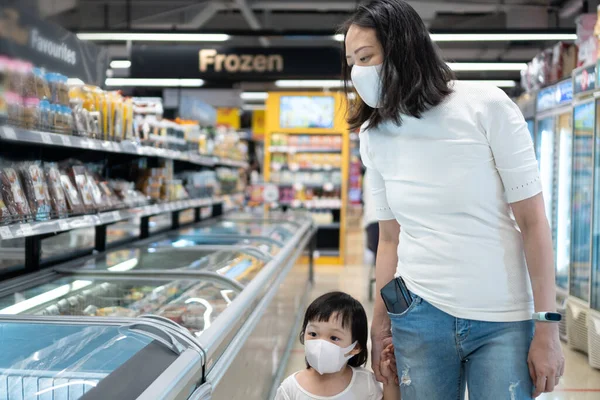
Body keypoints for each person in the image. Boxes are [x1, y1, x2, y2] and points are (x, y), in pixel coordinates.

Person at [340, 1, 565, 399]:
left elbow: (533, 222)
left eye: (366, 57)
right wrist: (380, 324)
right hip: (419, 315)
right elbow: (389, 239)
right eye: (352, 62)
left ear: (403, 48)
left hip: (504, 319)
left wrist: (547, 326)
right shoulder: (374, 136)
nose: (358, 72)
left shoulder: (486, 106)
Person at [275, 292, 400, 400]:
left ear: (355, 347)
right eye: (313, 334)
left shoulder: (365, 383)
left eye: (334, 338)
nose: (321, 344)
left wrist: (389, 381)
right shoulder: (290, 389)